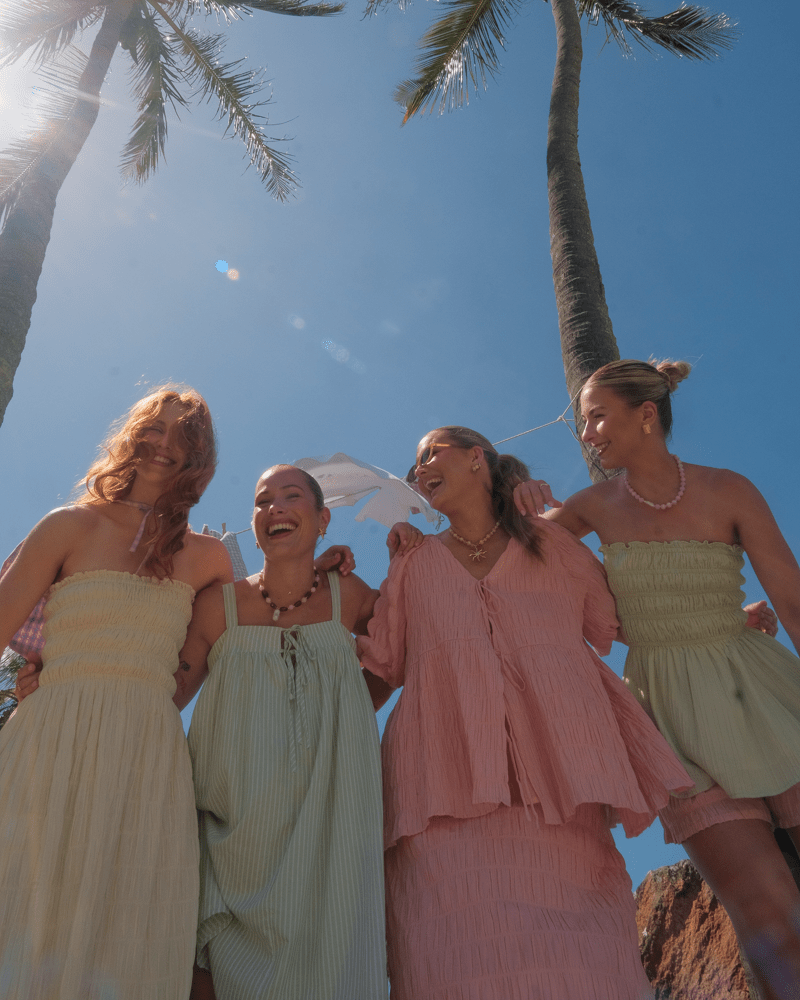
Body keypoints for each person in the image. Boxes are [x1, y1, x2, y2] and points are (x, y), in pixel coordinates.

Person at [358, 426, 693, 1000]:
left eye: (432, 454)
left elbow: (621, 619)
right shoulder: (412, 561)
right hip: (439, 790)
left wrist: (728, 616)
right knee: (447, 959)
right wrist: (326, 582)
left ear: (477, 459)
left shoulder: (550, 542)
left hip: (562, 786)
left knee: (586, 967)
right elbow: (380, 663)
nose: (419, 471)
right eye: (415, 466)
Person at [514, 359, 800, 1000]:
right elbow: (510, 556)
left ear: (646, 415)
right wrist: (519, 495)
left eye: (596, 416)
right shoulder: (590, 506)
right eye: (583, 421)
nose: (586, 432)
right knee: (771, 923)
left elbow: (792, 601)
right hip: (669, 719)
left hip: (770, 698)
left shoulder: (730, 489)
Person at [0, 385, 233, 1000]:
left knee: (128, 926)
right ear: (132, 434)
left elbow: (219, 652)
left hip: (147, 755)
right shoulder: (68, 525)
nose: (163, 444)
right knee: (22, 906)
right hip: (50, 736)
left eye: (183, 436)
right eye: (154, 427)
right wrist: (58, 679)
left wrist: (324, 567)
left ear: (199, 457)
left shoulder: (210, 559)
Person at [175, 465, 421, 1000]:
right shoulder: (217, 606)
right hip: (233, 829)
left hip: (333, 823)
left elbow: (405, 652)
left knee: (335, 961)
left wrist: (350, 707)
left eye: (292, 496)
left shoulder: (350, 595)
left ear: (323, 520)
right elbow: (167, 694)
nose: (276, 508)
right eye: (263, 500)